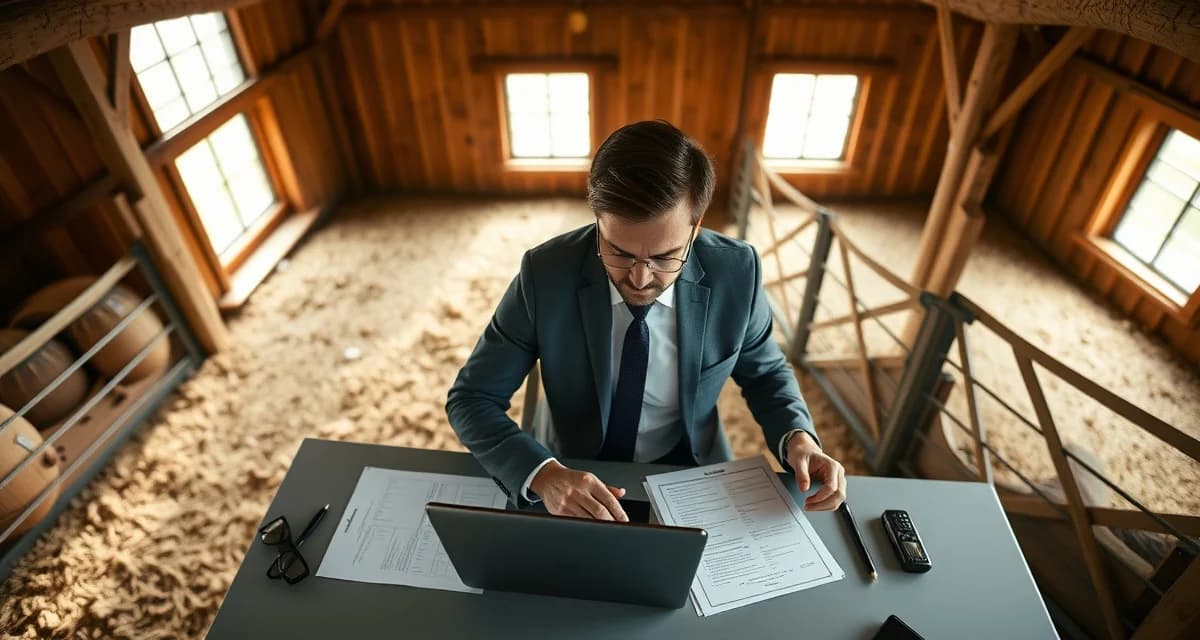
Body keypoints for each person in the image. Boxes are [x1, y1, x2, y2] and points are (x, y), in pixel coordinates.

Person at [446, 120, 846, 522]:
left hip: (691, 468)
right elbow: (472, 398)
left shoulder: (738, 272)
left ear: (696, 226)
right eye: (618, 252)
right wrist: (545, 475)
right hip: (571, 465)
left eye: (665, 256)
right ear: (597, 218)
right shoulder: (544, 273)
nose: (639, 279)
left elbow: (765, 373)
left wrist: (798, 437)